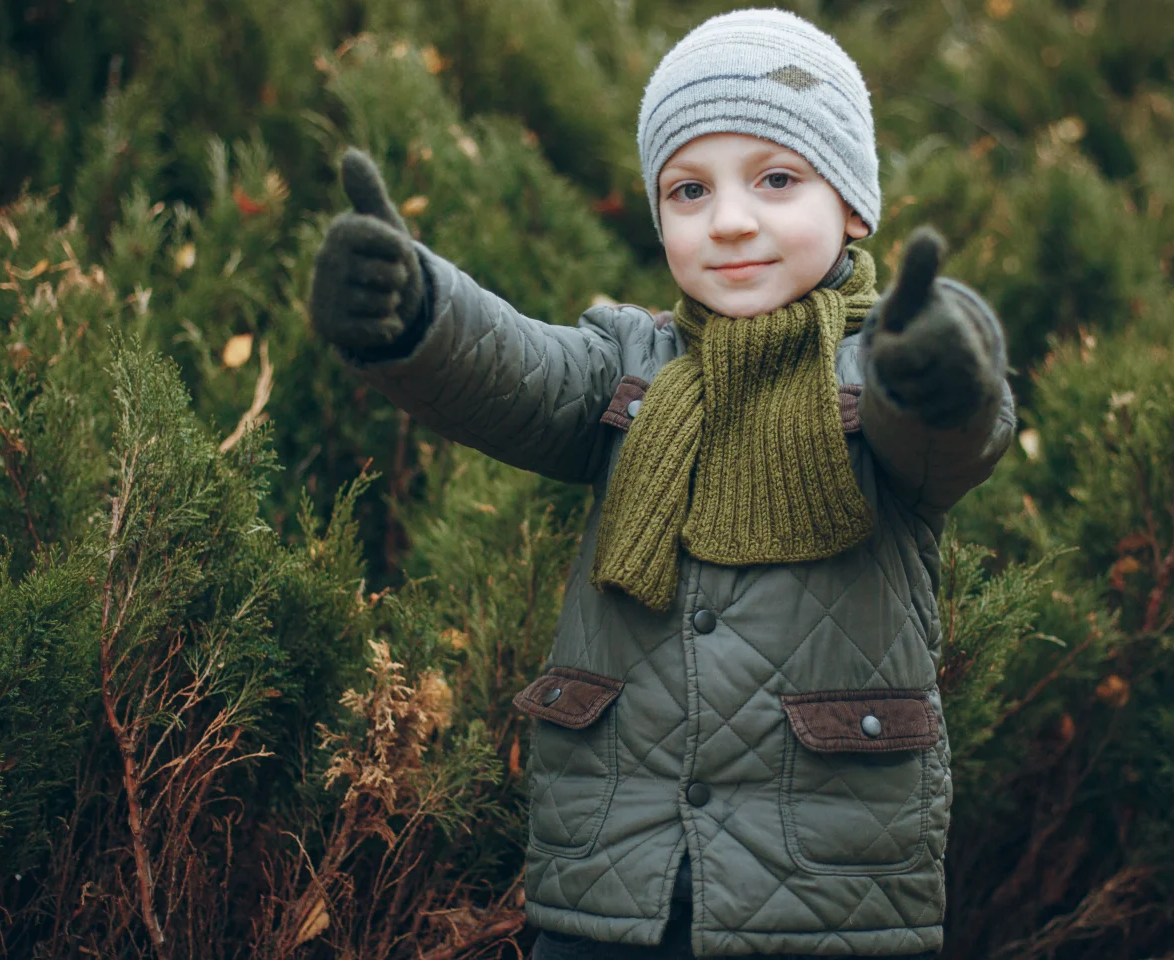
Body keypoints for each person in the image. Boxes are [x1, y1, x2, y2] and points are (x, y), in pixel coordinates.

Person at [308, 9, 1014, 957]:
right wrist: (414, 310)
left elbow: (951, 435)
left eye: (776, 177)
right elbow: (511, 368)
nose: (729, 219)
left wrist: (941, 366)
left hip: (830, 896)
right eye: (689, 189)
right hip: (612, 877)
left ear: (853, 205)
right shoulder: (625, 365)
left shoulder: (882, 369)